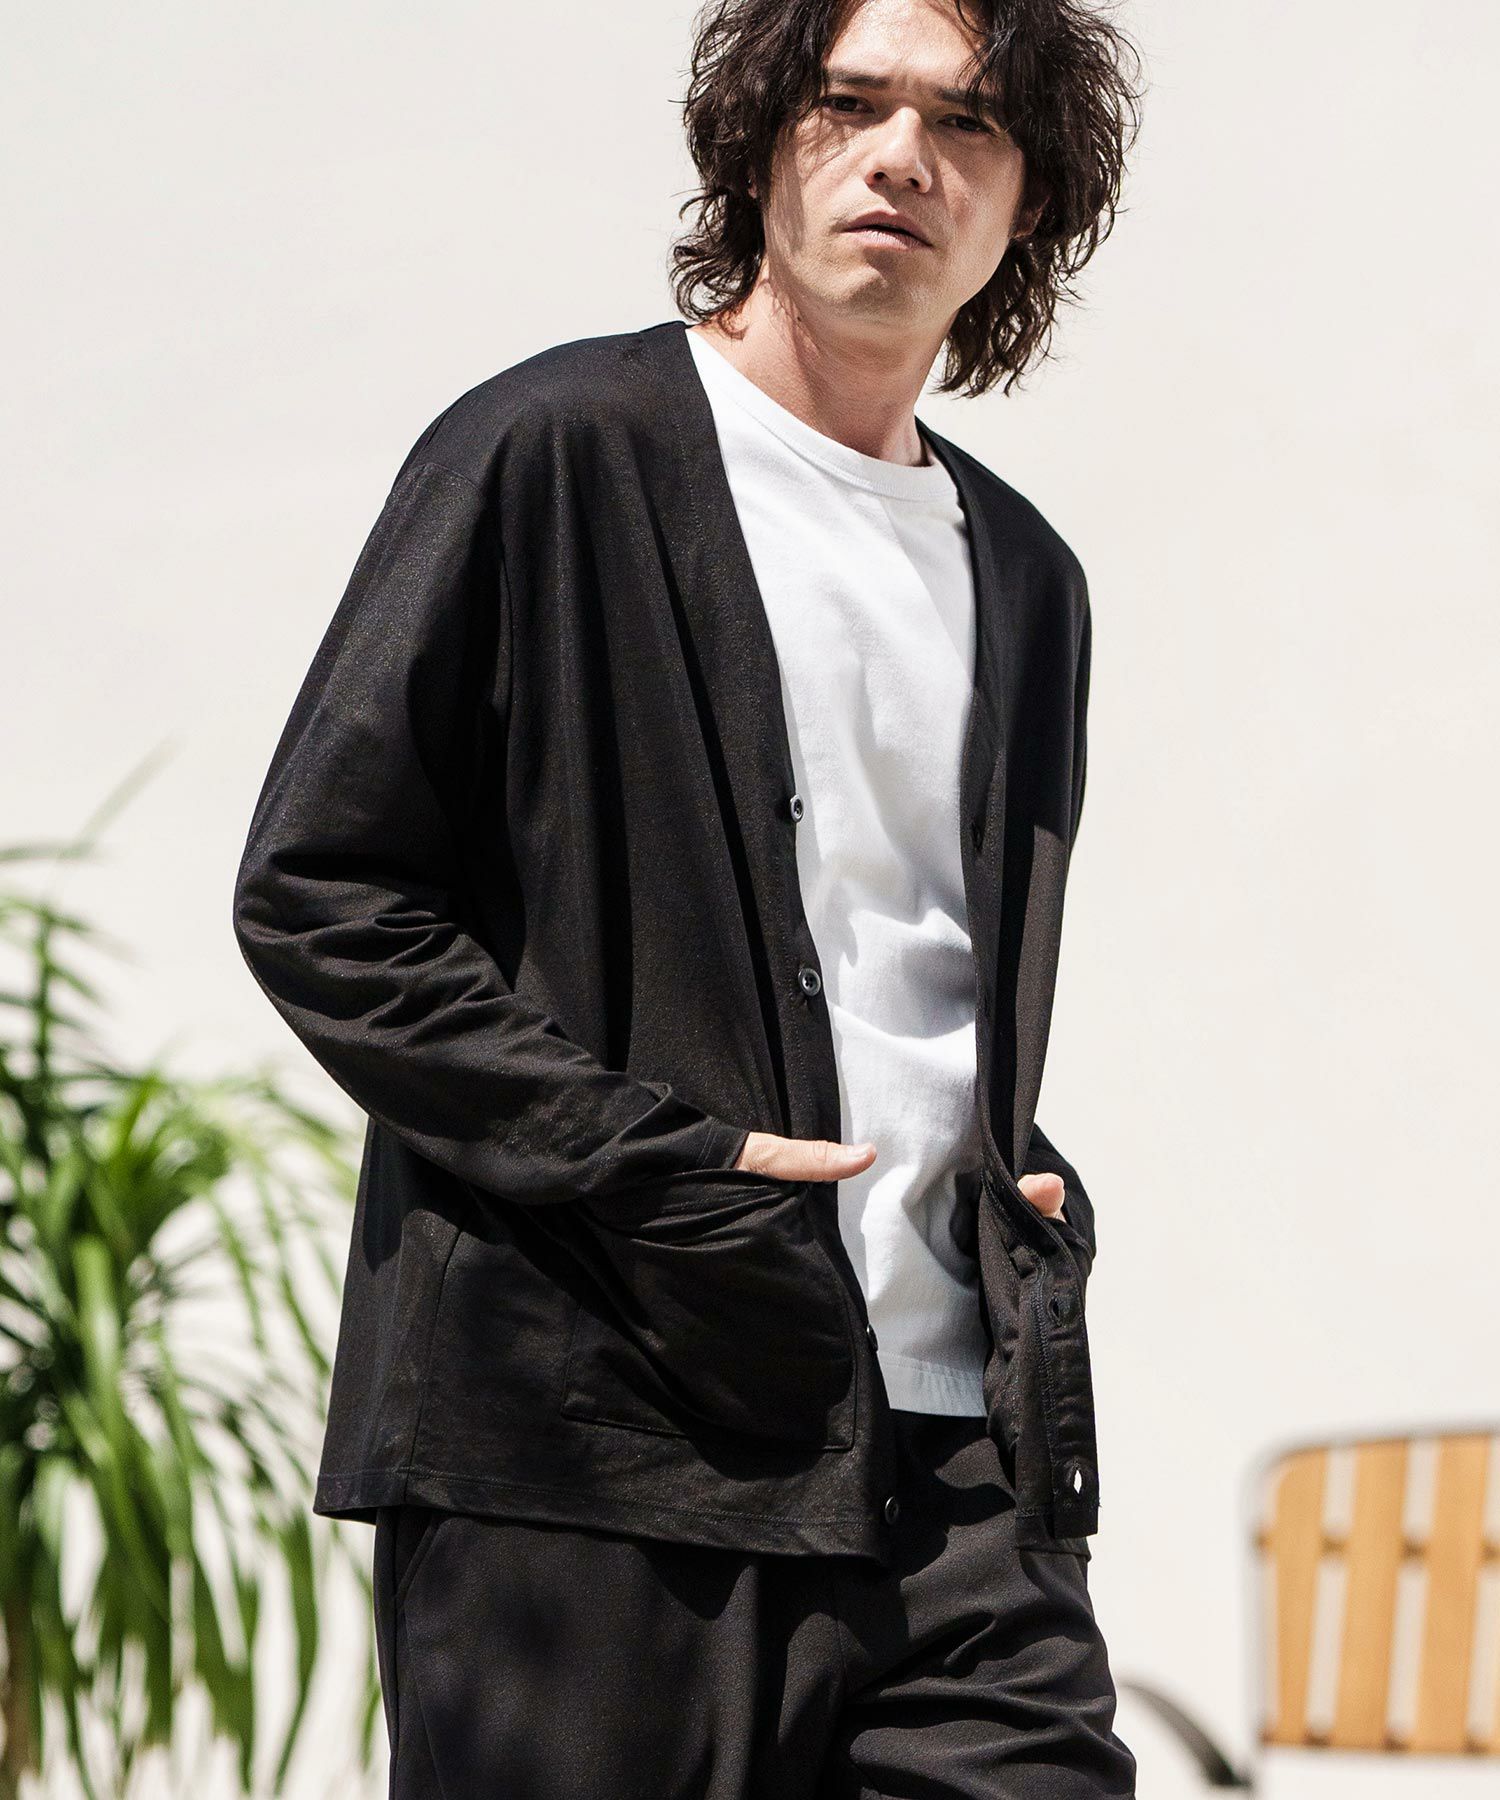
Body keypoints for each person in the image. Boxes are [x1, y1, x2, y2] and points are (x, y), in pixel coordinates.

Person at [232, 0, 1145, 1791]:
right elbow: (321, 892)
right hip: (596, 1445)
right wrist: (660, 1161)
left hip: (953, 1457)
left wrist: (1006, 1171)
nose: (902, 159)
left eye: (966, 123)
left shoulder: (1027, 577)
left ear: (1028, 200)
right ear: (757, 141)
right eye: (848, 103)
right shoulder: (555, 450)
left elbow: (908, 968)